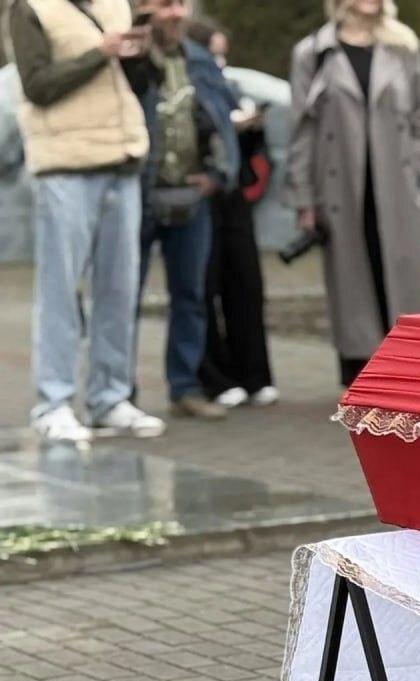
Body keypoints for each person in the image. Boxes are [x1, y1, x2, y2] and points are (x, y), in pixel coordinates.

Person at [8, 0, 164, 442]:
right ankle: (53, 404)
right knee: (60, 289)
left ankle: (109, 399)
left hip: (122, 159)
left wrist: (140, 54)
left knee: (118, 287)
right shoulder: (31, 8)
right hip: (65, 166)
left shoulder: (116, 4)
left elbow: (135, 83)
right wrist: (101, 52)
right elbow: (37, 86)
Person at [287, 0, 420, 387]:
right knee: (352, 278)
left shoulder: (403, 45)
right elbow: (301, 130)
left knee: (400, 275)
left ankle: (408, 366)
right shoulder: (314, 53)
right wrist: (304, 197)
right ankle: (361, 371)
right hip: (341, 186)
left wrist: (414, 167)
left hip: (395, 184)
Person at [133, 0, 241, 422]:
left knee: (191, 296)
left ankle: (185, 387)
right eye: (164, 5)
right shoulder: (129, 59)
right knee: (124, 296)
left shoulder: (198, 59)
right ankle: (118, 392)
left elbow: (223, 118)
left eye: (180, 4)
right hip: (138, 194)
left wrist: (217, 174)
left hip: (190, 196)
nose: (176, 14)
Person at [186, 18, 278, 409]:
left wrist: (250, 127)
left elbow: (253, 150)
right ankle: (215, 376)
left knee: (245, 282)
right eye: (214, 54)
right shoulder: (187, 85)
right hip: (201, 193)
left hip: (233, 194)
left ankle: (254, 373)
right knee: (203, 284)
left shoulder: (228, 87)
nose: (220, 63)